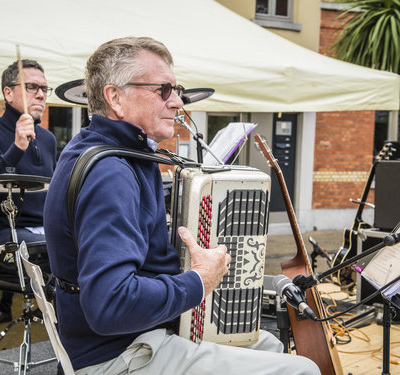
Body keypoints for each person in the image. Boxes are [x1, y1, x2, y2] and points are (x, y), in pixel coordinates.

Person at [44, 37, 320, 374]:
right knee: (303, 369)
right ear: (115, 97)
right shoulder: (110, 172)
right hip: (113, 354)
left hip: (129, 336)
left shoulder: (103, 150)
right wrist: (199, 280)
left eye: (177, 89)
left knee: (271, 344)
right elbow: (110, 305)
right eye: (163, 89)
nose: (177, 102)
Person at [0, 59, 57, 325]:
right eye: (32, 87)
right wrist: (16, 147)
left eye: (44, 88)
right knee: (52, 249)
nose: (41, 94)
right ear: (8, 93)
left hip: (41, 230)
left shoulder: (48, 139)